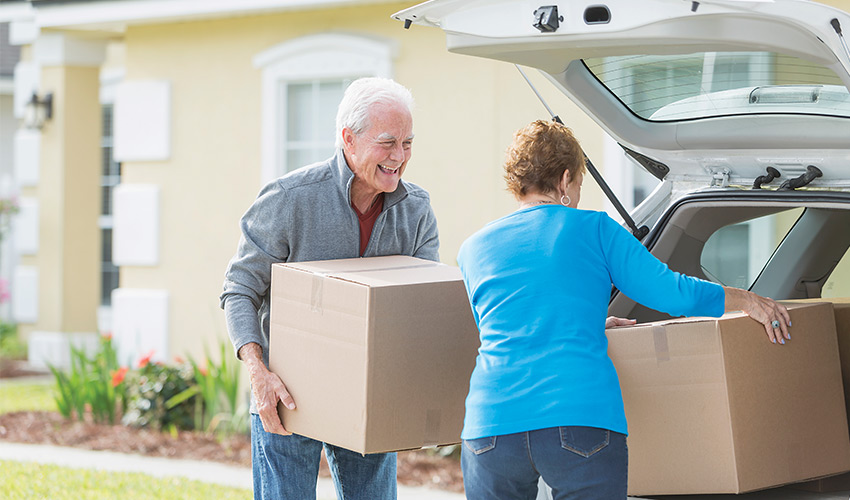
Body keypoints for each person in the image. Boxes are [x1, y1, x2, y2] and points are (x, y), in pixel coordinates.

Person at [455, 119, 791, 500]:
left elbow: (512, 324)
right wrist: (746, 300)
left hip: (490, 425)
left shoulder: (473, 248)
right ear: (565, 180)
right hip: (577, 416)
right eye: (579, 183)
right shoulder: (595, 228)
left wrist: (587, 324)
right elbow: (670, 293)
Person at [220, 77, 439, 500]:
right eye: (388, 142)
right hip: (287, 395)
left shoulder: (416, 211)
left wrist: (415, 400)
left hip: (369, 400)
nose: (399, 157)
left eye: (408, 143)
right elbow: (238, 289)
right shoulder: (289, 198)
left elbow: (421, 308)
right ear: (349, 139)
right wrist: (258, 372)